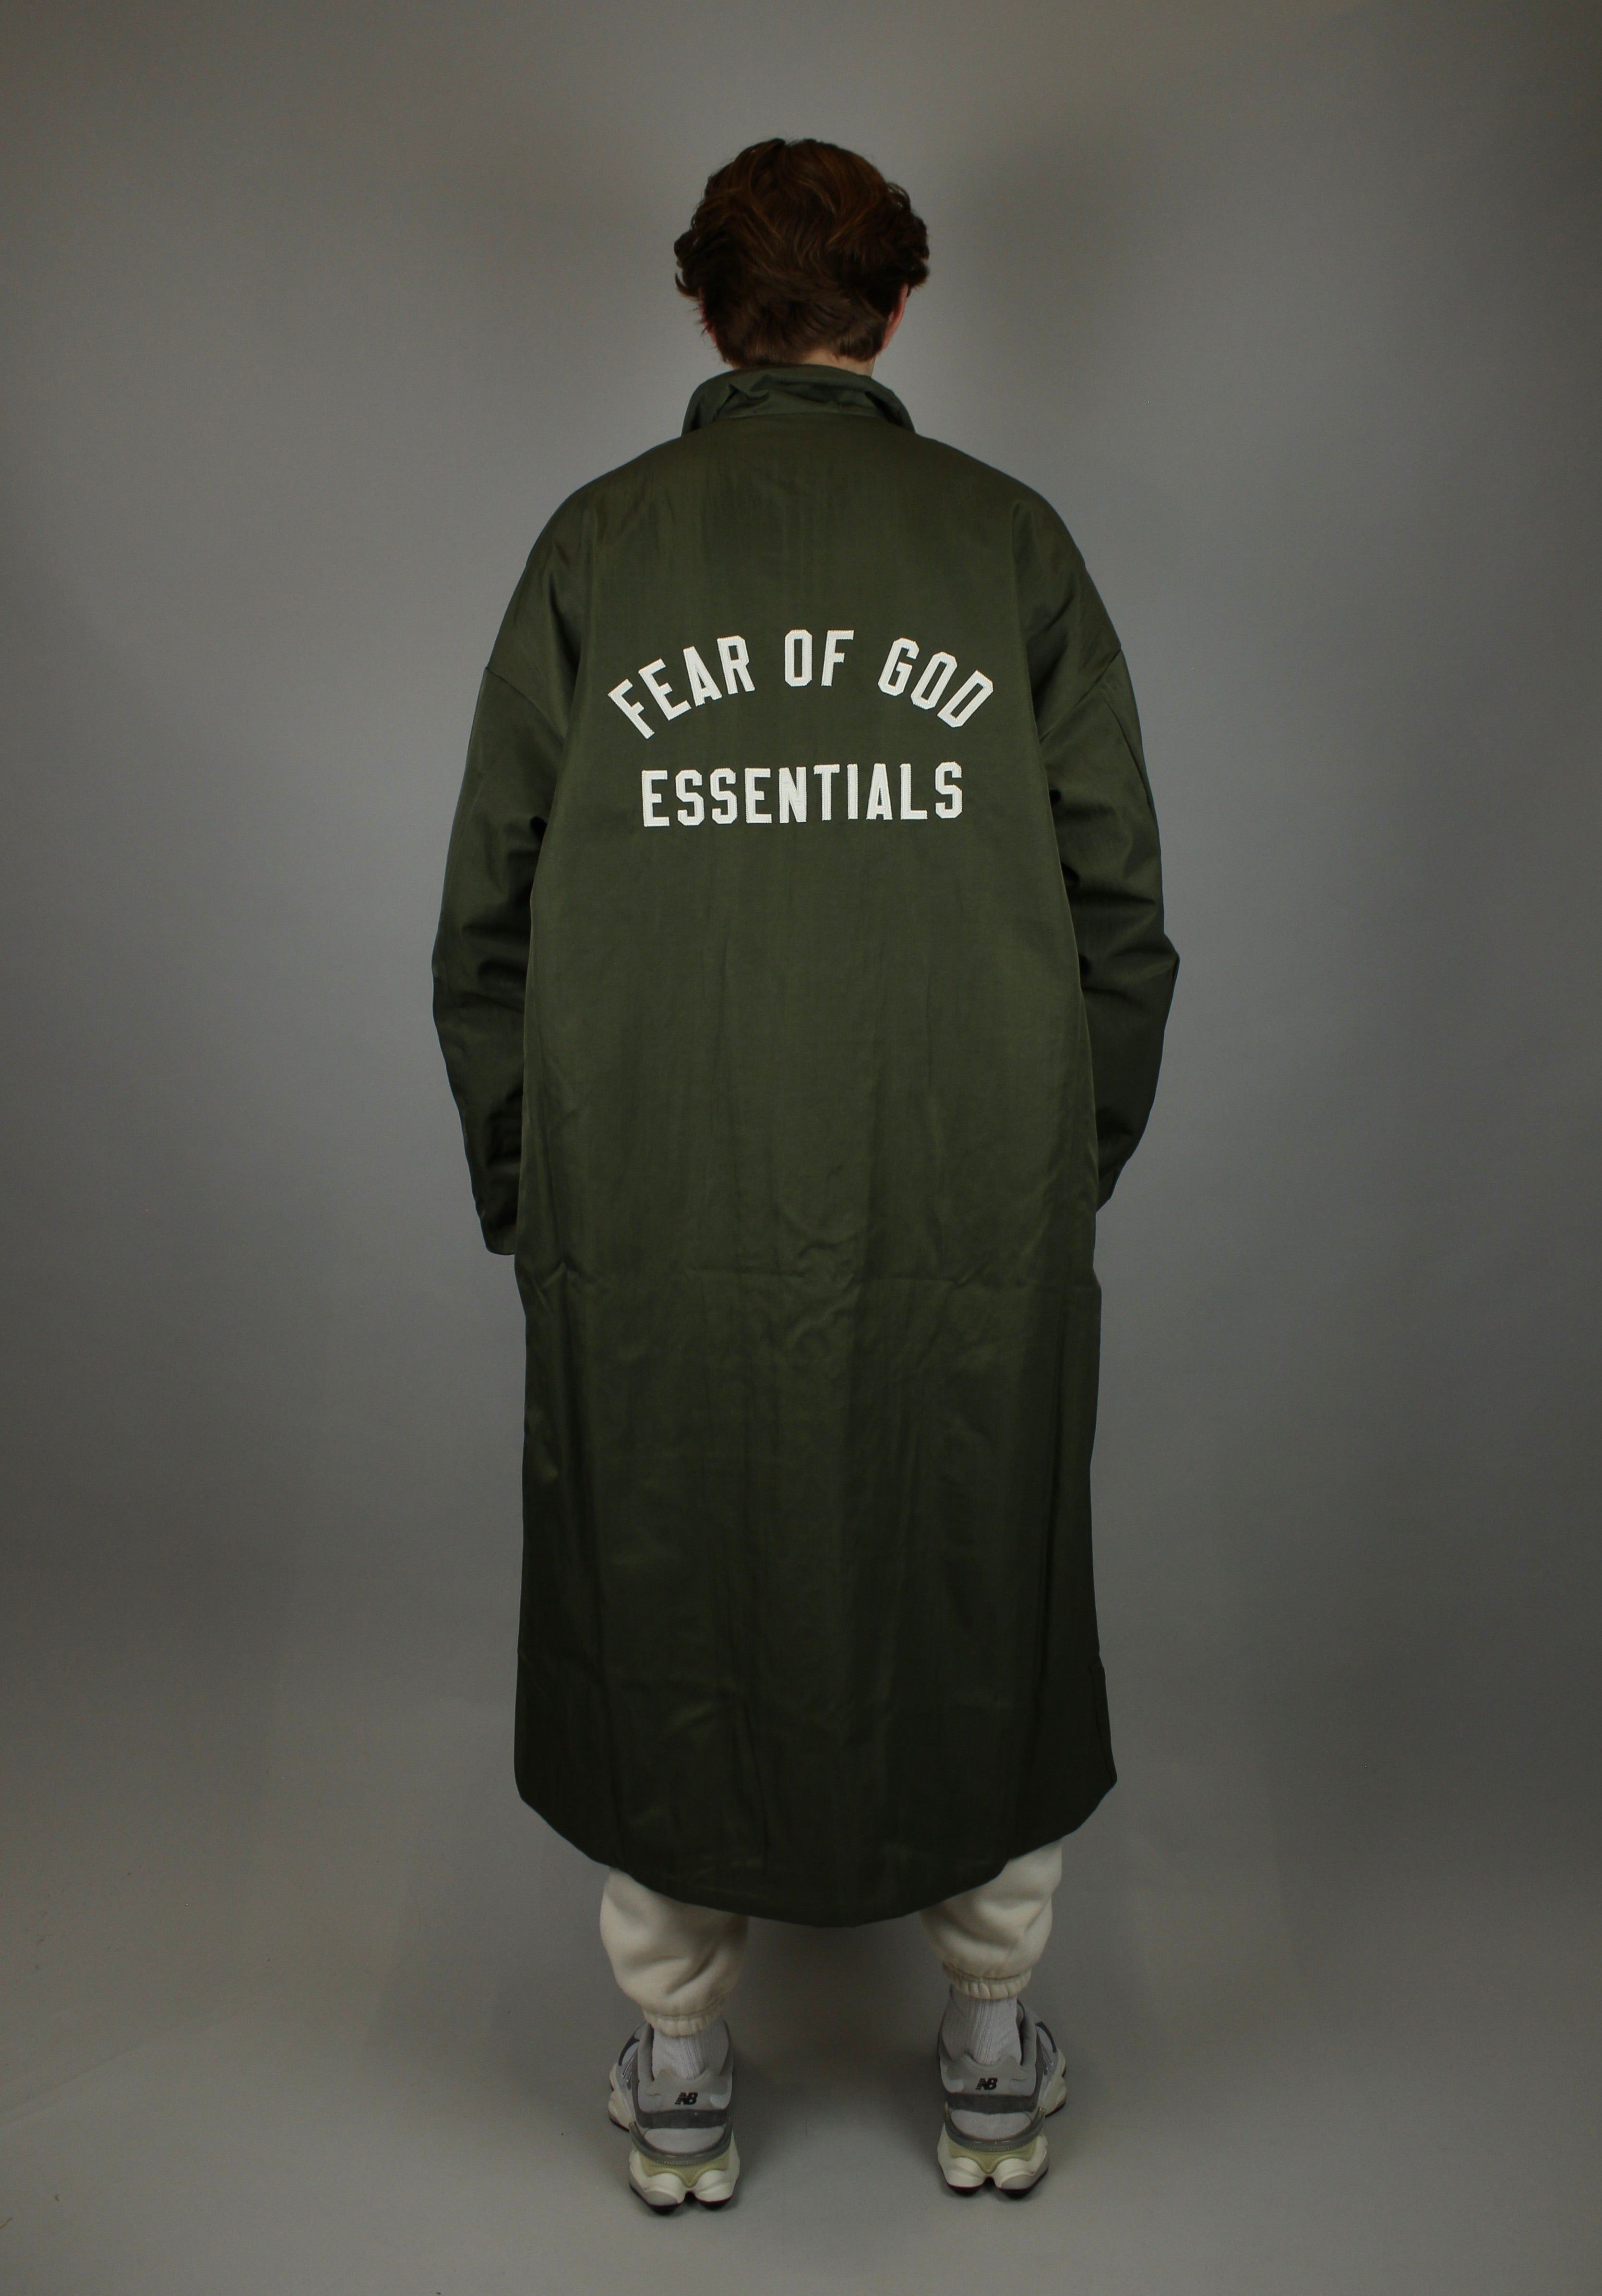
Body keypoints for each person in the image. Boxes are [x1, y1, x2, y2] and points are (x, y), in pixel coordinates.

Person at [432, 136, 1177, 2208]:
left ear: (706, 307)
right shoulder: (1007, 544)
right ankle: (990, 2048)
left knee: (663, 1575)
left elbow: (485, 926)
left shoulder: (598, 548)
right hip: (965, 1207)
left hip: (650, 1213)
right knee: (974, 1574)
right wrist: (1046, 1174)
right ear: (894, 303)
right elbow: (1118, 918)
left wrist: (546, 1197)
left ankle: (679, 2065)